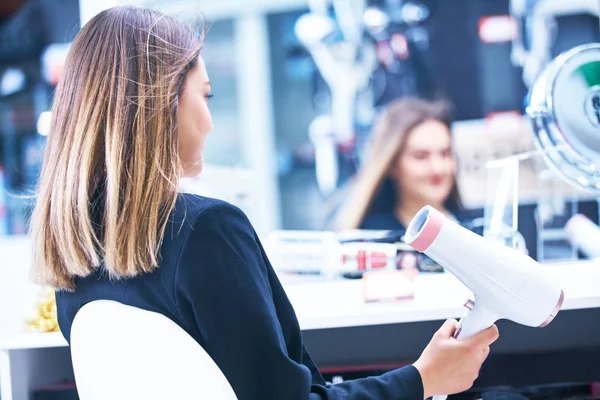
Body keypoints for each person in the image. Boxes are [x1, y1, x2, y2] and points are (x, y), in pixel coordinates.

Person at [29, 7, 499, 400]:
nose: (209, 122)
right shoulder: (205, 232)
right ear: (161, 106)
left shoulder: (74, 258)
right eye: (205, 96)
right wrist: (423, 380)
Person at [334, 98, 469, 235]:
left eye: (445, 154)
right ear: (392, 165)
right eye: (420, 156)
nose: (437, 168)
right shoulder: (372, 238)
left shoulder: (478, 227)